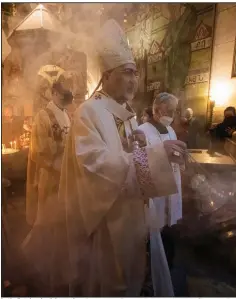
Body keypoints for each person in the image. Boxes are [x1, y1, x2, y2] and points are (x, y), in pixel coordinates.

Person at [57, 19, 186, 297]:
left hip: (131, 215)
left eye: (136, 73)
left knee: (134, 277)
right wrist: (154, 156)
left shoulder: (124, 112)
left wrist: (138, 145)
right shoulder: (89, 112)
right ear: (106, 75)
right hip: (106, 220)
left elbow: (125, 155)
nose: (134, 80)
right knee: (109, 282)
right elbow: (95, 166)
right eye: (127, 72)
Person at [22, 73, 73, 295]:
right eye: (62, 94)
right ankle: (31, 261)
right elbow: (39, 151)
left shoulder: (66, 115)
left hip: (66, 176)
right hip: (50, 177)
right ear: (53, 93)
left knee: (61, 224)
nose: (66, 98)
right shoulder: (43, 116)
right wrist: (59, 165)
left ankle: (57, 268)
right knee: (47, 221)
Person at [139, 92, 182, 229]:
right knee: (155, 223)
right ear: (156, 110)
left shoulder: (170, 130)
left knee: (170, 224)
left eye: (173, 111)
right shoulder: (142, 131)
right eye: (168, 110)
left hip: (172, 177)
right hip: (155, 183)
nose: (171, 114)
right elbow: (140, 160)